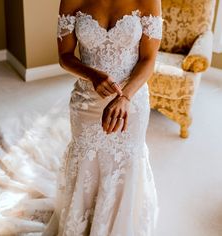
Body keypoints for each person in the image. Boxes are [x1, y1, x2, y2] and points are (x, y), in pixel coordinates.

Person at [44, 0, 163, 235]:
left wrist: (125, 97)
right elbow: (65, 56)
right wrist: (92, 74)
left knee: (125, 163)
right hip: (86, 103)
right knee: (87, 162)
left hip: (131, 100)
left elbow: (148, 59)